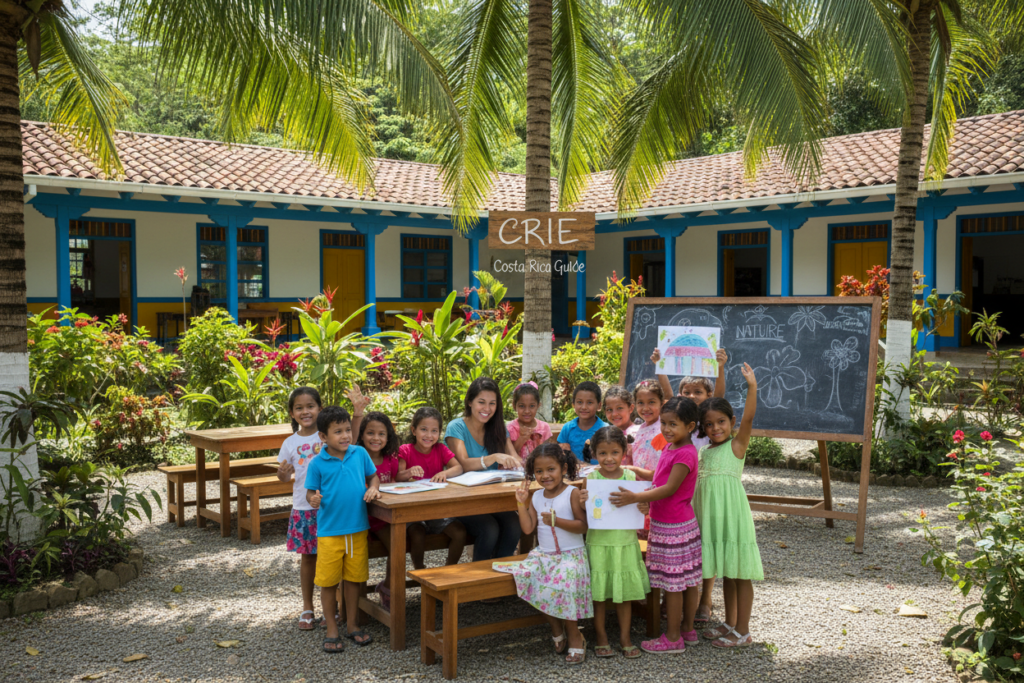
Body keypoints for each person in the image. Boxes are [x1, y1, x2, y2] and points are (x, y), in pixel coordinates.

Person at [615, 397, 702, 654]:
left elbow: (669, 488)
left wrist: (635, 497)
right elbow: (660, 476)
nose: (666, 429)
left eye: (673, 424)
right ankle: (687, 629)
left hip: (673, 526)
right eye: (664, 423)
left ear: (690, 426)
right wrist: (637, 471)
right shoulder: (672, 447)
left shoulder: (685, 453)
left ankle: (674, 638)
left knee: (674, 586)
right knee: (685, 581)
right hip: (674, 523)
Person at [652, 348, 728, 626]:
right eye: (687, 391)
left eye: (699, 392)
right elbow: (670, 397)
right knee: (679, 552)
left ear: (707, 398)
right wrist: (660, 366)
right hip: (680, 498)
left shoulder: (704, 428)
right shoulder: (678, 425)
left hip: (702, 492)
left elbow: (719, 396)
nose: (692, 395)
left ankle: (705, 599)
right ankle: (671, 598)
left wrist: (720, 367)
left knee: (702, 547)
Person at [694, 363, 763, 648]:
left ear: (731, 421)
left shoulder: (736, 446)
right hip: (711, 518)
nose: (715, 428)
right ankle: (730, 622)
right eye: (708, 424)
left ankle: (743, 630)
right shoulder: (703, 451)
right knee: (726, 571)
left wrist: (752, 386)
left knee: (739, 572)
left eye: (721, 421)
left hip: (732, 516)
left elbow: (748, 419)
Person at [305, 406, 381, 652]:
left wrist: (373, 488)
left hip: (358, 529)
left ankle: (352, 625)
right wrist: (312, 499)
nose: (345, 435)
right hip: (330, 533)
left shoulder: (359, 453)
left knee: (354, 580)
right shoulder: (317, 463)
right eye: (338, 431)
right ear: (323, 437)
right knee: (328, 582)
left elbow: (373, 476)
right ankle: (331, 628)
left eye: (347, 429)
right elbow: (309, 492)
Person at [511, 444, 592, 665]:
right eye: (539, 471)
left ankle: (575, 634)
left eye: (551, 469)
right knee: (528, 577)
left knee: (563, 582)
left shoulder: (572, 493)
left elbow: (583, 527)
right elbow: (528, 529)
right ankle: (556, 626)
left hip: (570, 555)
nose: (545, 476)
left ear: (563, 468)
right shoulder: (536, 497)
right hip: (544, 555)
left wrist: (558, 521)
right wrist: (521, 502)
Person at [583, 427, 650, 658]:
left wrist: (643, 506)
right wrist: (582, 501)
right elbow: (585, 513)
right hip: (599, 543)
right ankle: (600, 636)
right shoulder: (591, 478)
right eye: (602, 453)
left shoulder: (631, 478)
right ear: (594, 453)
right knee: (599, 595)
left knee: (625, 594)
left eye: (614, 452)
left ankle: (625, 637)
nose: (608, 458)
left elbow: (642, 506)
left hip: (625, 542)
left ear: (624, 452)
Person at [446, 377, 524, 562]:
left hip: (490, 498)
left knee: (514, 524)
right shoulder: (456, 427)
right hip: (461, 499)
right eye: (481, 402)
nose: (486, 409)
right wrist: (492, 458)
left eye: (492, 403)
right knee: (489, 529)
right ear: (469, 402)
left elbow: (516, 459)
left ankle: (499, 576)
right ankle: (478, 581)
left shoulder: (497, 427)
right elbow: (462, 464)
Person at [276, 387, 324, 630]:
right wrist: (283, 475)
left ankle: (332, 607)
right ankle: (308, 606)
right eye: (299, 407)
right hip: (304, 508)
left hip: (331, 506)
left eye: (310, 406)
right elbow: (285, 477)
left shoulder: (328, 436)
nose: (305, 411)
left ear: (320, 408)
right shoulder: (290, 442)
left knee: (333, 556)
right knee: (309, 557)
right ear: (292, 413)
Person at [398, 407, 468, 569]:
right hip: (412, 509)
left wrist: (444, 474)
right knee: (417, 533)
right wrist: (408, 472)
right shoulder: (405, 450)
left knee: (459, 532)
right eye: (424, 430)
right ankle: (420, 571)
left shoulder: (440, 449)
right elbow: (397, 477)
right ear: (414, 430)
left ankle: (448, 571)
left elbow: (458, 468)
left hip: (435, 509)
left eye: (434, 431)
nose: (429, 435)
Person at [356, 411, 407, 611]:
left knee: (398, 545)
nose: (376, 438)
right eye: (370, 433)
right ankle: (352, 599)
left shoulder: (391, 459)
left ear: (388, 437)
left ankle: (387, 588)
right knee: (354, 554)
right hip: (359, 516)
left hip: (383, 518)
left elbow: (393, 486)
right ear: (361, 435)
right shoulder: (354, 457)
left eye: (381, 434)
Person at [630, 379, 665, 540]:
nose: (645, 408)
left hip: (659, 492)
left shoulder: (664, 429)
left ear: (662, 403)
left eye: (652, 402)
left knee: (656, 536)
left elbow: (662, 471)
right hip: (640, 491)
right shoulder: (639, 429)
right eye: (640, 403)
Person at [558, 381, 607, 463]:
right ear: (573, 404)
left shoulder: (605, 430)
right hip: (573, 473)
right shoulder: (568, 428)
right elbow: (560, 452)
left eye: (589, 402)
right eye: (579, 402)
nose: (584, 407)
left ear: (599, 406)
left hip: (598, 474)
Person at [507, 382, 553, 459]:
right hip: (516, 470)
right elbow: (509, 455)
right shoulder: (510, 428)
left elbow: (547, 453)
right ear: (514, 406)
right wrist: (522, 439)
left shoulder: (544, 427)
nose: (527, 411)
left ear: (538, 405)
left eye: (532, 406)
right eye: (522, 406)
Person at [602, 386, 638, 466]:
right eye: (609, 410)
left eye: (619, 408)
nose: (614, 414)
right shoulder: (607, 435)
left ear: (631, 408)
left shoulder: (639, 433)